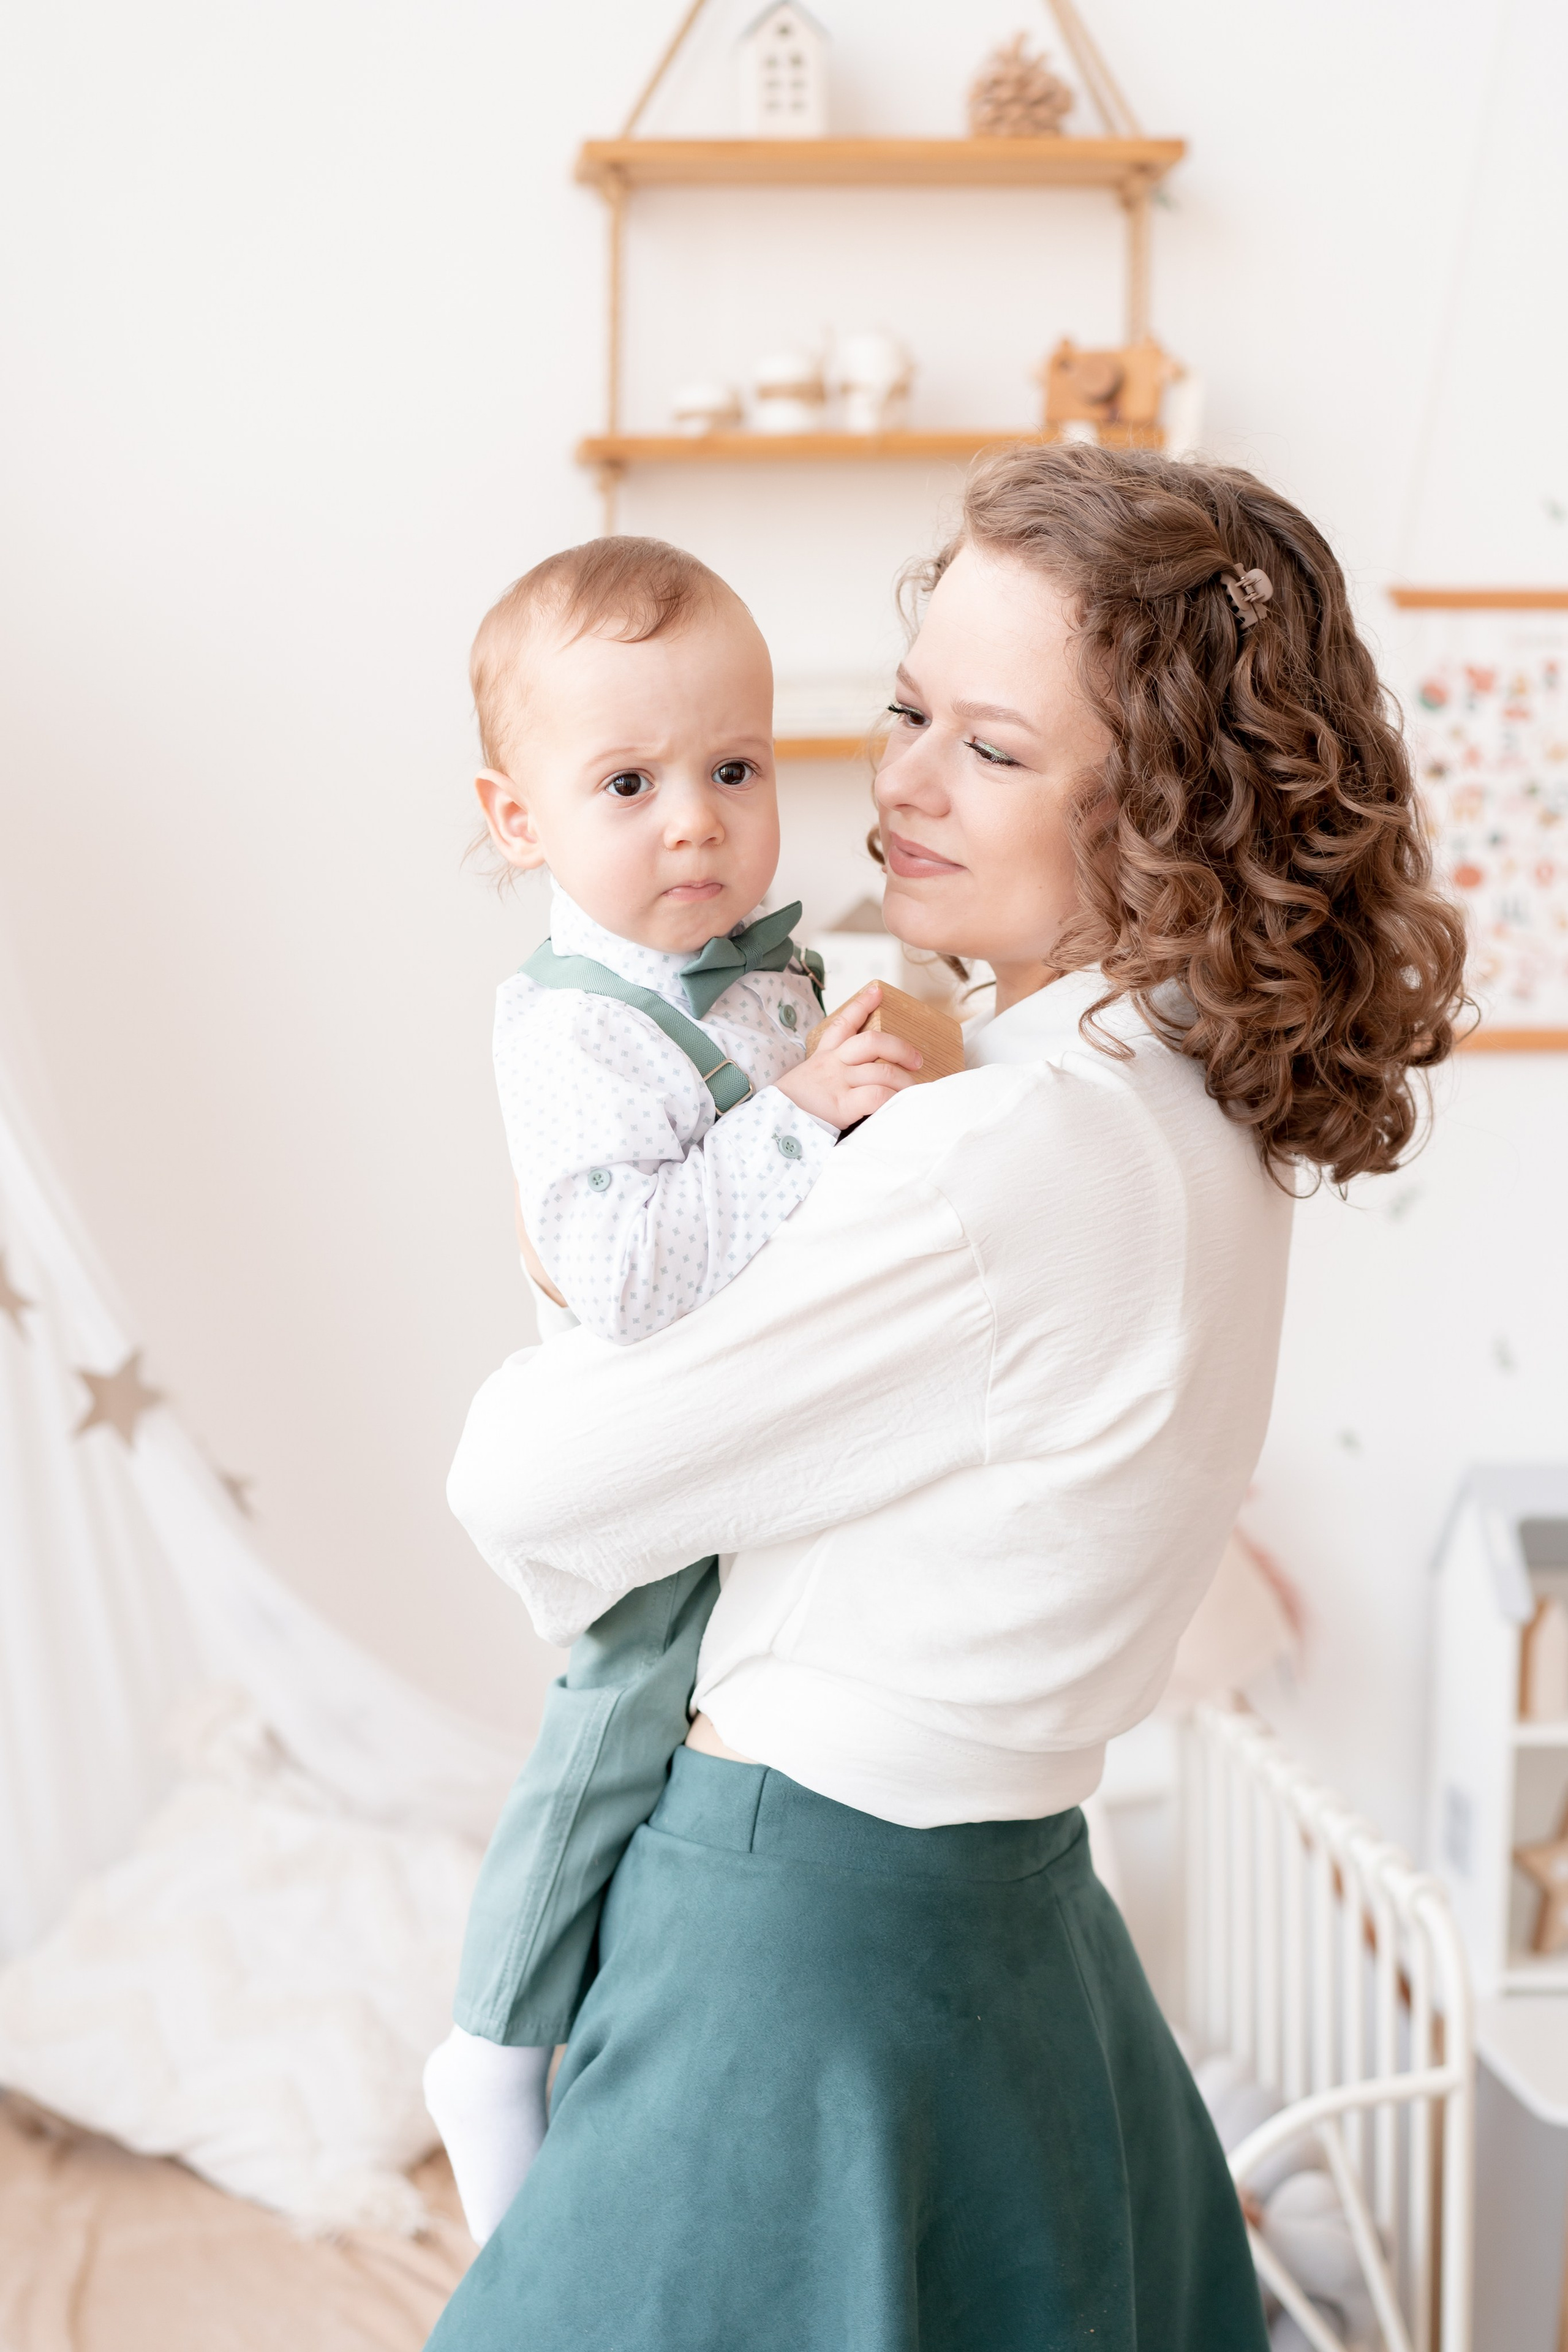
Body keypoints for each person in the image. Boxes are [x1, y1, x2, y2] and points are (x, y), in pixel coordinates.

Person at [429, 444, 1468, 2352]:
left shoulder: (1000, 1157)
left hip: (800, 1930)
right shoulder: (1187, 1114)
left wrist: (577, 1259)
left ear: (1159, 819)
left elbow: (524, 1483)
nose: (895, 779)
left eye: (990, 748)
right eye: (908, 709)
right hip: (1003, 1918)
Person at [423, 537, 924, 2244]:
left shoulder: (757, 964)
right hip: (648, 1463)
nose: (696, 821)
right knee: (613, 1732)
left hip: (760, 1442)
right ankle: (492, 2043)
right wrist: (803, 1116)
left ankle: (636, 2038)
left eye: (734, 768)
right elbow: (625, 1276)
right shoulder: (570, 1031)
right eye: (628, 782)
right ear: (520, 823)